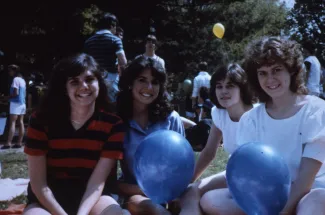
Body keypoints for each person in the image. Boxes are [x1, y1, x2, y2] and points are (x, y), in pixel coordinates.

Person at [23, 54, 129, 215]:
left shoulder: (113, 125)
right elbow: (39, 184)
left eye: (89, 79)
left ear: (99, 83)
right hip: (48, 198)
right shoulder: (41, 121)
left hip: (94, 196)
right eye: (74, 82)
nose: (84, 86)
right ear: (65, 88)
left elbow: (97, 183)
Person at [236, 36, 325, 215]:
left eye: (277, 70)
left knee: (316, 203)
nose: (270, 79)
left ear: (291, 70)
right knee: (213, 200)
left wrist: (281, 212)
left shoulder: (316, 110)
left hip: (309, 193)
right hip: (268, 196)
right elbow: (246, 173)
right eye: (262, 72)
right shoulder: (251, 118)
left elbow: (305, 181)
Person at [179, 63, 256, 215]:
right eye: (219, 86)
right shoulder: (219, 113)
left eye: (230, 86)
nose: (224, 91)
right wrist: (188, 181)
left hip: (259, 181)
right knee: (190, 192)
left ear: (242, 88)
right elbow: (209, 152)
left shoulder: (258, 114)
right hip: (234, 175)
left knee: (210, 201)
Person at [116, 56, 185, 215]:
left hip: (171, 193)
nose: (149, 87)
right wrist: (144, 191)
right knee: (153, 209)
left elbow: (182, 168)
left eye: (155, 82)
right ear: (130, 82)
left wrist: (172, 194)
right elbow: (110, 182)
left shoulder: (171, 119)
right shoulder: (118, 121)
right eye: (142, 80)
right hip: (135, 193)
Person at [84, 12, 127, 103]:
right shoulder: (115, 40)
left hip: (94, 79)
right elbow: (123, 62)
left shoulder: (89, 41)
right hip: (111, 78)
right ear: (113, 25)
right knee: (113, 105)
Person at [1, 65, 26, 149]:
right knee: (21, 122)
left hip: (15, 103)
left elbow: (16, 93)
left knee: (12, 123)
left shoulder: (15, 79)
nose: (9, 73)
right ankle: (19, 142)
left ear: (14, 71)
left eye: (10, 71)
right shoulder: (23, 80)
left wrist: (6, 97)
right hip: (22, 103)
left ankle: (8, 143)